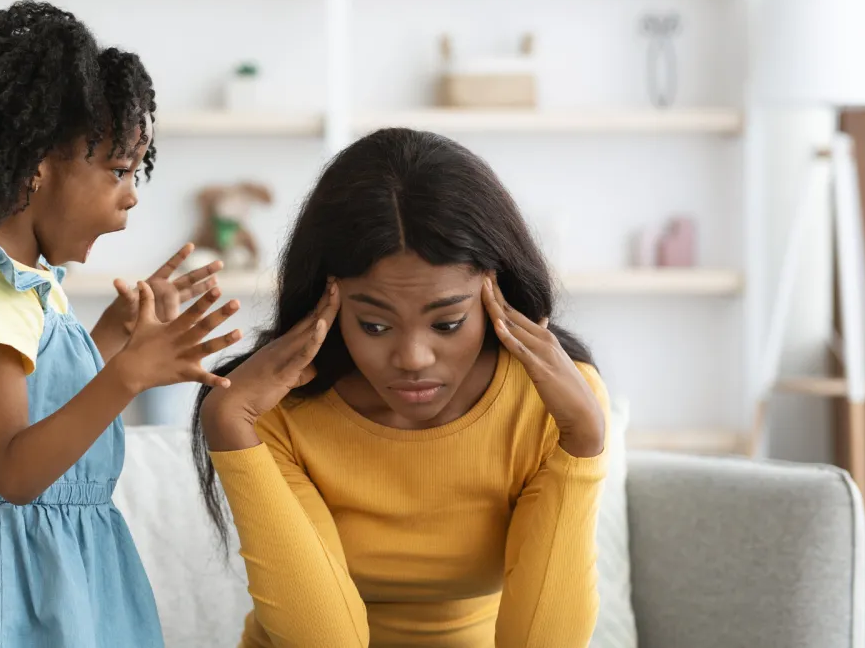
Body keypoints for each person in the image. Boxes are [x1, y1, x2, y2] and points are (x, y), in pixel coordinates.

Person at [0, 1, 240, 647]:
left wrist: (113, 335)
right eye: (119, 170)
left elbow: (47, 403)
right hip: (2, 590)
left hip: (59, 574)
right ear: (37, 165)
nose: (132, 194)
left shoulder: (28, 292)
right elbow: (15, 471)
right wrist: (127, 376)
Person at [193, 127, 609, 647]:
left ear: (495, 296)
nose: (412, 359)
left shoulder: (553, 403)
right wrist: (226, 421)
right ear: (330, 303)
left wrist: (584, 441)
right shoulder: (270, 409)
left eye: (448, 323)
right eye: (375, 325)